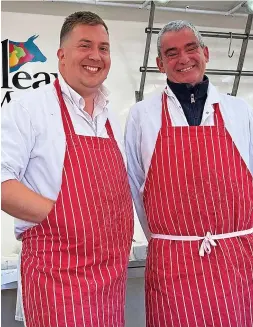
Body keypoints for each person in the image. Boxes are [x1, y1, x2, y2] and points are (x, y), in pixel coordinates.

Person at [1, 11, 134, 327]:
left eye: (103, 48)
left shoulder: (111, 117)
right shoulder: (30, 108)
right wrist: (62, 215)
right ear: (61, 56)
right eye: (85, 45)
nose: (95, 56)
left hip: (111, 280)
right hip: (56, 279)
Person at [125, 20, 253, 327]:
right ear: (160, 63)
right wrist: (172, 239)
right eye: (172, 52)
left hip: (237, 260)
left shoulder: (240, 111)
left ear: (205, 52)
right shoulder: (142, 116)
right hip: (172, 260)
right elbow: (136, 188)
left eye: (191, 48)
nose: (183, 58)